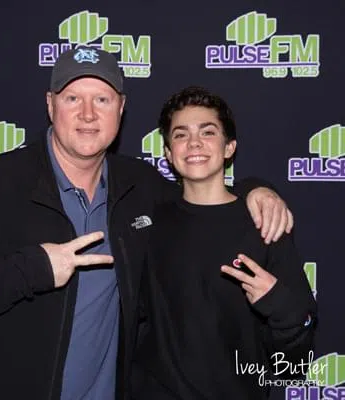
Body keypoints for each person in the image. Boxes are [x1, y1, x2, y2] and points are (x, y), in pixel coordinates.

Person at [0, 48, 292, 400]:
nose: (88, 114)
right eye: (73, 98)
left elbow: (202, 191)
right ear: (50, 104)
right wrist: (33, 269)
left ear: (121, 108)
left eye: (102, 100)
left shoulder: (139, 186)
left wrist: (255, 189)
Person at [131, 86, 317, 399]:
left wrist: (280, 307)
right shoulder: (147, 221)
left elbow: (293, 365)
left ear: (229, 147)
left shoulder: (265, 222)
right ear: (168, 153)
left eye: (208, 132)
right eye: (180, 134)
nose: (194, 143)